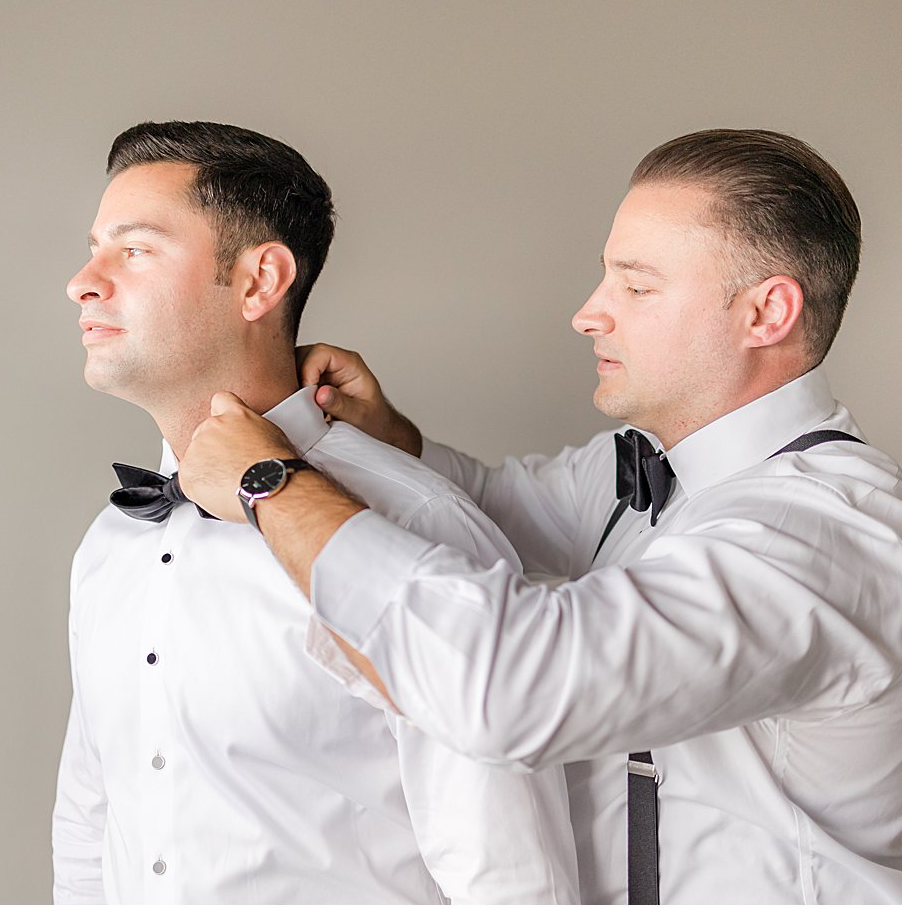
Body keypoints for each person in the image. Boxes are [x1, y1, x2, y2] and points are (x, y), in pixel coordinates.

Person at [178, 129, 902, 904]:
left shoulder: (833, 537)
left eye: (637, 285)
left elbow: (510, 688)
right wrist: (389, 439)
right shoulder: (635, 464)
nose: (589, 314)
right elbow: (489, 510)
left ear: (767, 312)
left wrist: (268, 483)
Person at [51, 120, 579, 904]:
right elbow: (92, 822)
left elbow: (510, 875)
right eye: (95, 247)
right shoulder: (110, 544)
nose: (83, 282)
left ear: (261, 281)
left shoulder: (416, 523)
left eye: (134, 249)